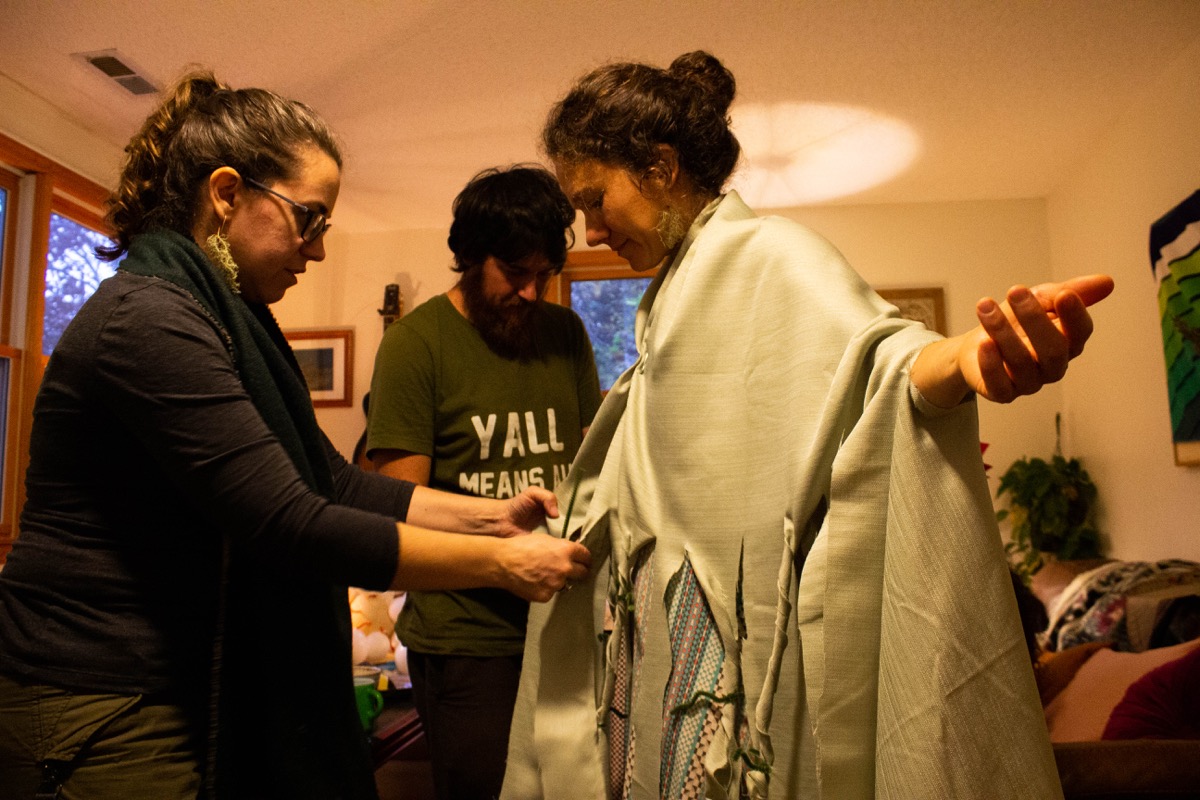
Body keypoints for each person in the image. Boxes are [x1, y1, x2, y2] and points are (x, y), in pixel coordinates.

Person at [501, 52, 1114, 800]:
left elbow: (878, 361)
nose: (590, 230)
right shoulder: (673, 292)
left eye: (596, 199)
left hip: (729, 648)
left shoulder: (767, 255)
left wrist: (969, 361)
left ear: (660, 168)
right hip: (663, 630)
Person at [0, 72, 590, 800]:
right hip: (97, 696)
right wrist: (502, 566)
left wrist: (492, 519)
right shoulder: (151, 321)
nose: (314, 250)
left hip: (163, 683)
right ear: (225, 194)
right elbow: (288, 521)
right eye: (308, 219)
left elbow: (330, 478)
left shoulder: (221, 317)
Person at [366, 164, 603, 799]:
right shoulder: (416, 345)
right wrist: (500, 553)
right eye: (515, 273)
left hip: (567, 626)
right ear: (471, 257)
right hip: (467, 640)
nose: (531, 293)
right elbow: (397, 514)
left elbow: (589, 468)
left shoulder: (567, 334)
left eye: (544, 276)